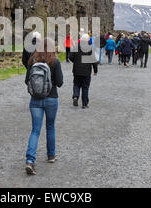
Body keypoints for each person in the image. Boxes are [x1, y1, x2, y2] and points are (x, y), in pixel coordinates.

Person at [25, 38, 64, 175]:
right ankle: (51, 155)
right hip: (51, 99)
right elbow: (59, 83)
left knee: (35, 130)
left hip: (35, 99)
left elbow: (26, 81)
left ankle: (30, 160)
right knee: (50, 126)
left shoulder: (32, 60)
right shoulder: (55, 61)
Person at [69, 34, 98, 109]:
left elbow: (70, 57)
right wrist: (95, 70)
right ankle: (84, 103)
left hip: (77, 70)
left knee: (76, 84)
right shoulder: (90, 48)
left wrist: (75, 62)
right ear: (88, 40)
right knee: (85, 87)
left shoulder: (76, 47)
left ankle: (75, 96)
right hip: (86, 71)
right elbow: (94, 60)